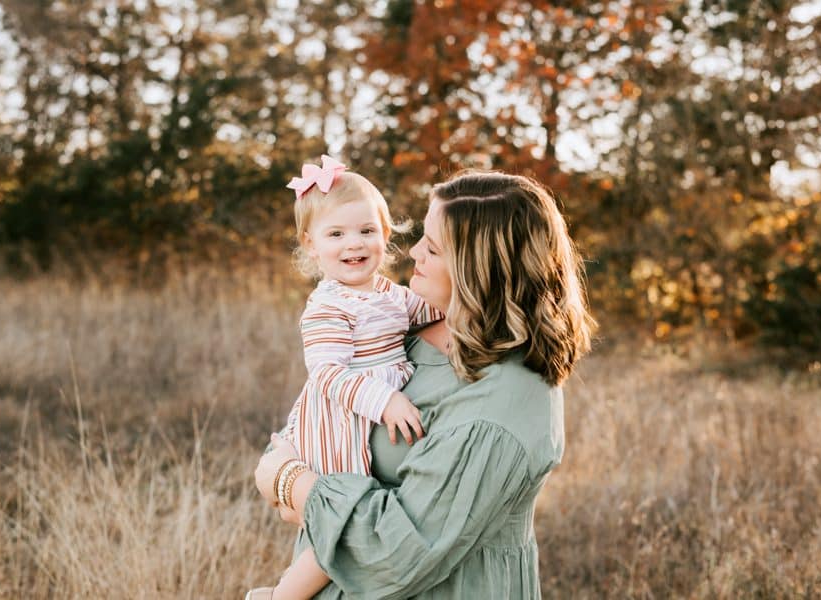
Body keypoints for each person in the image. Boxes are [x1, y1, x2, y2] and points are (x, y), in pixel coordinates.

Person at [253, 170, 595, 599]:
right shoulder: (407, 335)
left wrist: (291, 482)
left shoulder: (501, 404)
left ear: (478, 270)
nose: (412, 250)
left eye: (432, 248)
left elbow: (395, 551)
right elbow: (321, 405)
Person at [246, 155, 443, 600]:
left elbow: (434, 312)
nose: (353, 244)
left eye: (366, 231)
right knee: (342, 512)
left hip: (361, 415)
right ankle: (281, 597)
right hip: (339, 421)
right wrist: (385, 401)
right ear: (311, 245)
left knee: (344, 516)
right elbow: (328, 376)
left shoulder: (391, 293)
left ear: (386, 235)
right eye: (336, 234)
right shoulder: (327, 307)